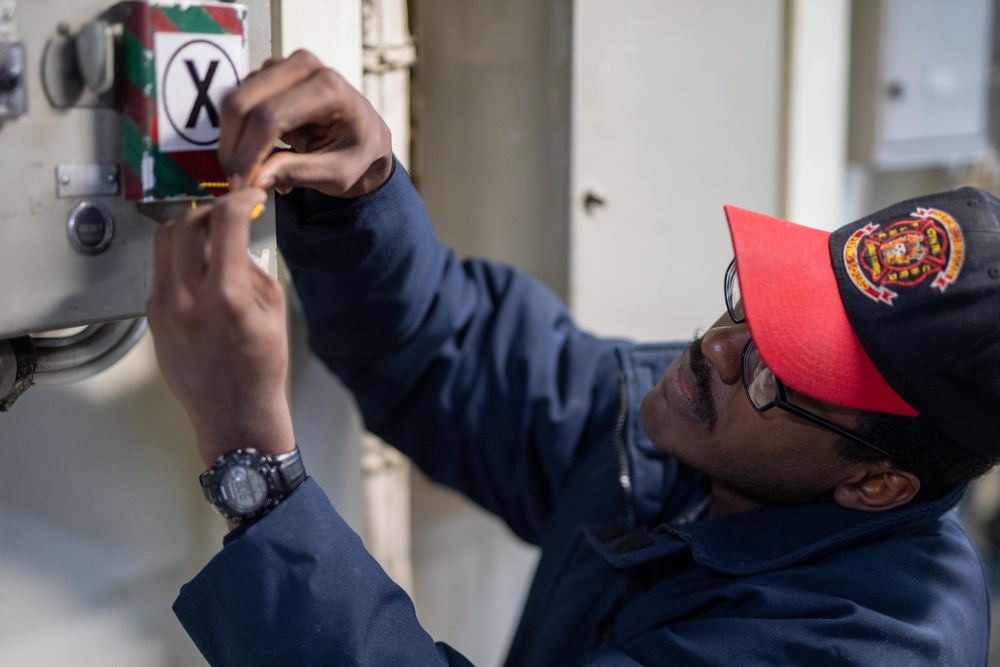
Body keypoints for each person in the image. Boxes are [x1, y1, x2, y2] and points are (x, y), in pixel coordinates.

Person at [147, 50, 1000, 666]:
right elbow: (454, 361)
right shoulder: (705, 434)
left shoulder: (859, 645)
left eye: (779, 371)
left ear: (875, 483)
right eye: (757, 302)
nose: (714, 347)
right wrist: (361, 195)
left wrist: (252, 461)